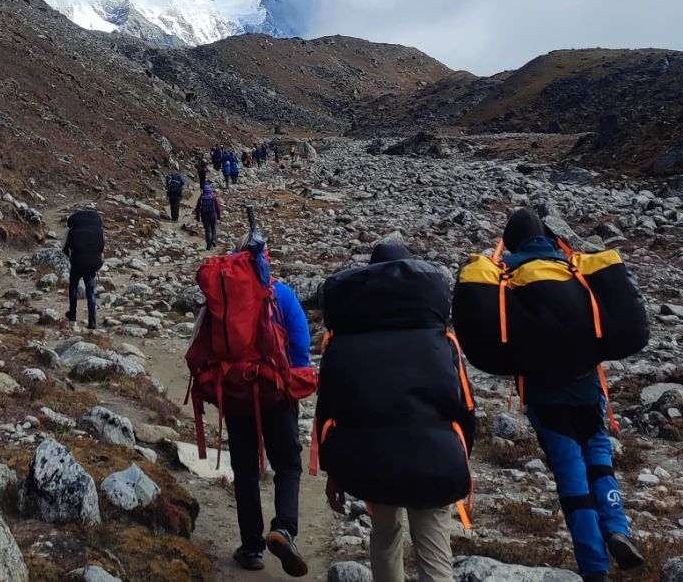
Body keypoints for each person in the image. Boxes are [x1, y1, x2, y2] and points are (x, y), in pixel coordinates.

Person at [500, 208, 645, 582]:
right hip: (588, 387)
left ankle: (594, 565)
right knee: (598, 456)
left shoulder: (510, 278)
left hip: (545, 394)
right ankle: (616, 528)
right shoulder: (574, 271)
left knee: (569, 472)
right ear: (549, 239)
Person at [317, 242, 475, 582]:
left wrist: (333, 472)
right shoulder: (440, 338)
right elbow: (464, 405)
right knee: (434, 553)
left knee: (385, 536)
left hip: (374, 459)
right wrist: (461, 461)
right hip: (434, 458)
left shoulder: (343, 340)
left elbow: (329, 410)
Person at [222, 230, 313, 576]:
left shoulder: (226, 297)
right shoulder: (282, 295)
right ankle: (284, 528)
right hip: (276, 390)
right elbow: (301, 345)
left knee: (245, 470)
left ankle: (251, 548)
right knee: (287, 465)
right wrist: (293, 382)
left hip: (236, 393)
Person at [62, 207, 104, 329]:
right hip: (93, 263)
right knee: (90, 290)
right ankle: (92, 320)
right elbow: (101, 247)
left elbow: (64, 247)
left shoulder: (72, 230)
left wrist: (71, 255)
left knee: (74, 287)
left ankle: (73, 314)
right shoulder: (98, 230)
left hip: (77, 262)